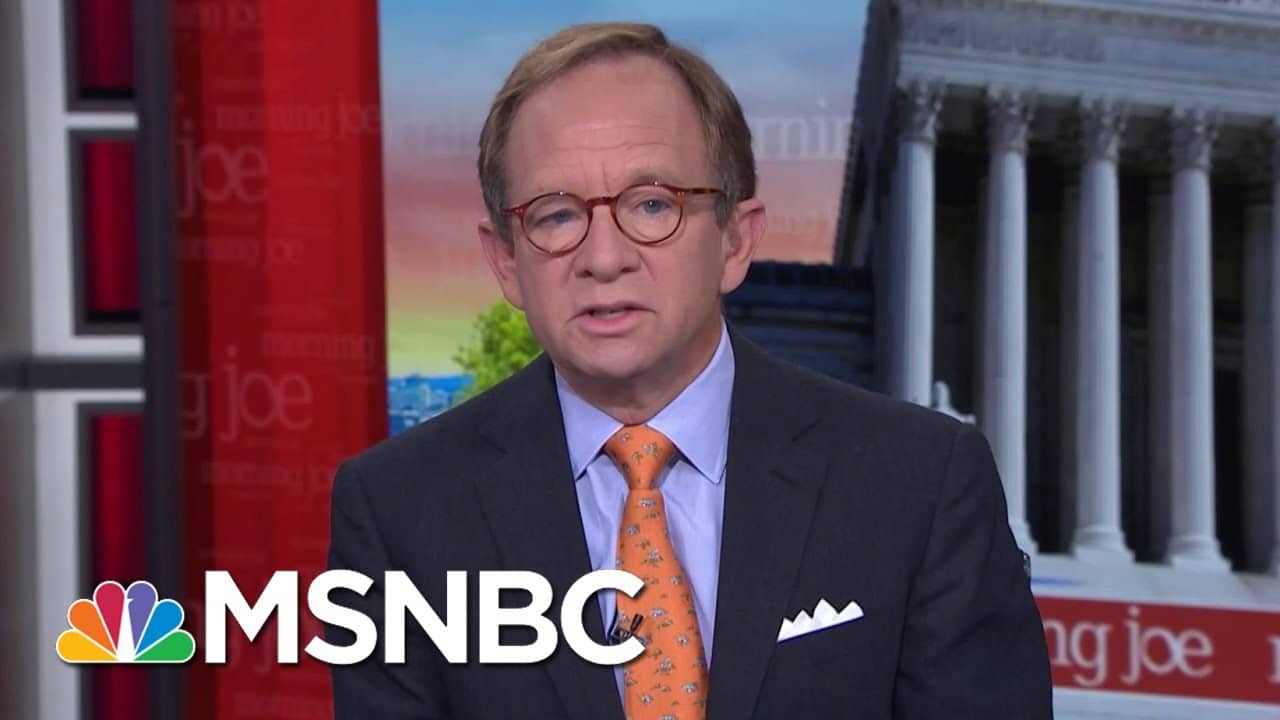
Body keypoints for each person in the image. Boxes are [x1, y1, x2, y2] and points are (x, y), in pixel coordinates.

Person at [327, 22, 1053, 720]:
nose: (603, 258)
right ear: (505, 262)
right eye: (556, 215)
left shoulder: (920, 484)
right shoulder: (399, 512)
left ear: (736, 240)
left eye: (652, 205)